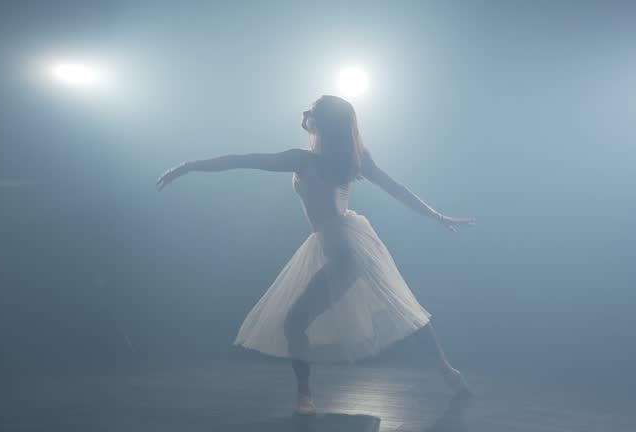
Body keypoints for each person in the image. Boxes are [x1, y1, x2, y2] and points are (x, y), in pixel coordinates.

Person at [156, 95, 475, 416]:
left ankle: (305, 396)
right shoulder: (351, 157)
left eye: (312, 113)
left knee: (299, 321)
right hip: (350, 242)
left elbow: (244, 159)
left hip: (343, 247)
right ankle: (448, 371)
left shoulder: (307, 159)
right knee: (401, 307)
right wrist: (437, 217)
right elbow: (398, 190)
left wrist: (189, 166)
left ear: (321, 124)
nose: (305, 115)